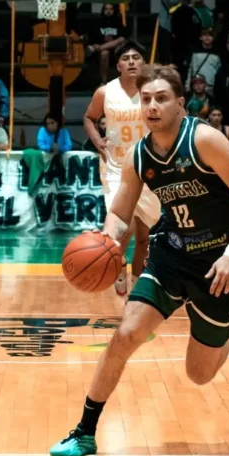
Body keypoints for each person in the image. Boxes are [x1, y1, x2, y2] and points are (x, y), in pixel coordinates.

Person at [50, 64, 229, 456]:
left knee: (199, 374)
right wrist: (107, 239)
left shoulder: (204, 140)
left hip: (220, 262)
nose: (152, 106)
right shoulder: (139, 155)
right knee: (125, 334)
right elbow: (120, 212)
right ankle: (84, 432)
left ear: (180, 104)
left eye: (161, 98)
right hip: (172, 255)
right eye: (146, 99)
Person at [84, 41, 160, 297]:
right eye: (125, 58)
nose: (131, 62)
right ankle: (118, 263)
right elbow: (89, 118)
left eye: (136, 57)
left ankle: (136, 292)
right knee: (123, 228)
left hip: (149, 168)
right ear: (117, 65)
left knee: (144, 236)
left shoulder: (153, 91)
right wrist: (97, 140)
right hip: (116, 167)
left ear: (143, 63)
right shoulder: (105, 92)